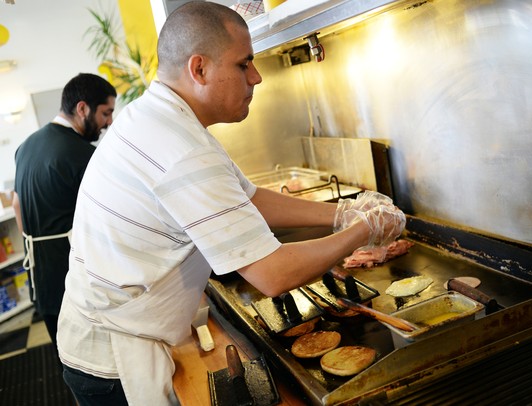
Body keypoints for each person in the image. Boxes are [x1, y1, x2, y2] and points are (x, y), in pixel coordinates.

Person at [56, 3, 405, 405]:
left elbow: (251, 198)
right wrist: (363, 230)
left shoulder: (160, 118)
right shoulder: (181, 148)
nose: (256, 77)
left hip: (99, 332)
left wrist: (344, 212)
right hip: (111, 362)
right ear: (199, 69)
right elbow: (271, 275)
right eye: (244, 64)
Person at [12, 73, 116, 350]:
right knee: (93, 360)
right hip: (73, 281)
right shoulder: (81, 154)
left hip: (40, 278)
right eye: (106, 113)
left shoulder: (26, 146)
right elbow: (106, 219)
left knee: (65, 357)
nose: (109, 122)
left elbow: (16, 205)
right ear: (82, 109)